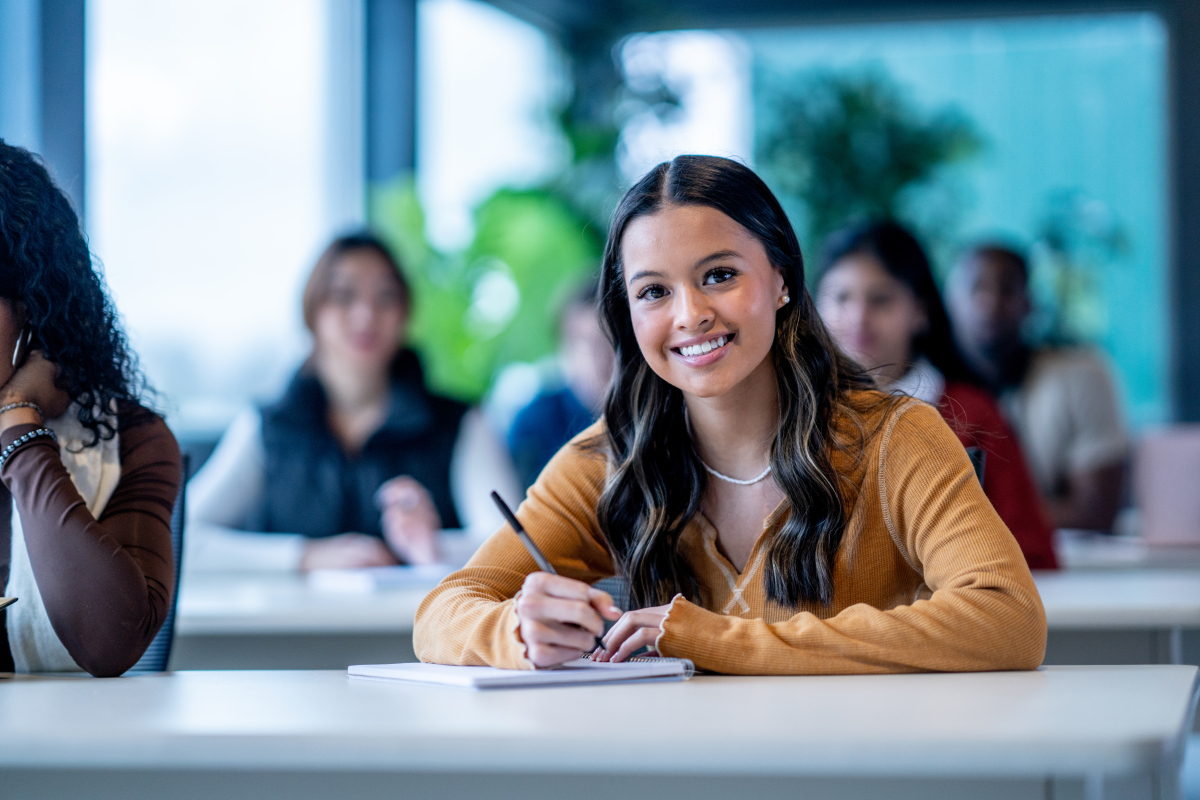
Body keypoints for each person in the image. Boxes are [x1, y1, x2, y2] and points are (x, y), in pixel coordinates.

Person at [414, 156, 1046, 673]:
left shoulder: (896, 437)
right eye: (654, 291)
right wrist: (520, 632)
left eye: (718, 275)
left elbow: (1007, 617)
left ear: (781, 280)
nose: (689, 315)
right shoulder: (611, 456)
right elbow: (442, 612)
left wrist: (714, 638)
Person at [187, 233, 519, 572]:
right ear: (313, 313)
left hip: (416, 624)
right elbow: (179, 536)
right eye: (343, 296)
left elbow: (513, 544)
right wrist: (305, 557)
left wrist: (431, 546)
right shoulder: (269, 426)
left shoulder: (459, 422)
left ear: (405, 314)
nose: (365, 316)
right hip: (288, 624)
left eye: (386, 297)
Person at [0, 140, 182, 676]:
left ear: (29, 309)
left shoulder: (130, 440)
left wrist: (18, 424)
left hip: (54, 752)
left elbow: (109, 641)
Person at [814, 221, 1057, 570]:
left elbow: (1030, 551)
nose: (858, 317)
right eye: (840, 298)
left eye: (880, 299)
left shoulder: (973, 414)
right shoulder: (794, 413)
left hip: (949, 619)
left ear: (920, 311)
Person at [946, 244, 1127, 532]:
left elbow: (1095, 513)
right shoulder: (925, 390)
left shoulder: (1081, 377)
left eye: (1007, 289)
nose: (991, 302)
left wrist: (963, 521)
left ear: (1030, 303)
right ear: (948, 301)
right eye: (976, 287)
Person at [508, 280, 614, 490]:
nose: (595, 357)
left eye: (607, 340)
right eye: (580, 342)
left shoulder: (657, 406)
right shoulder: (535, 421)